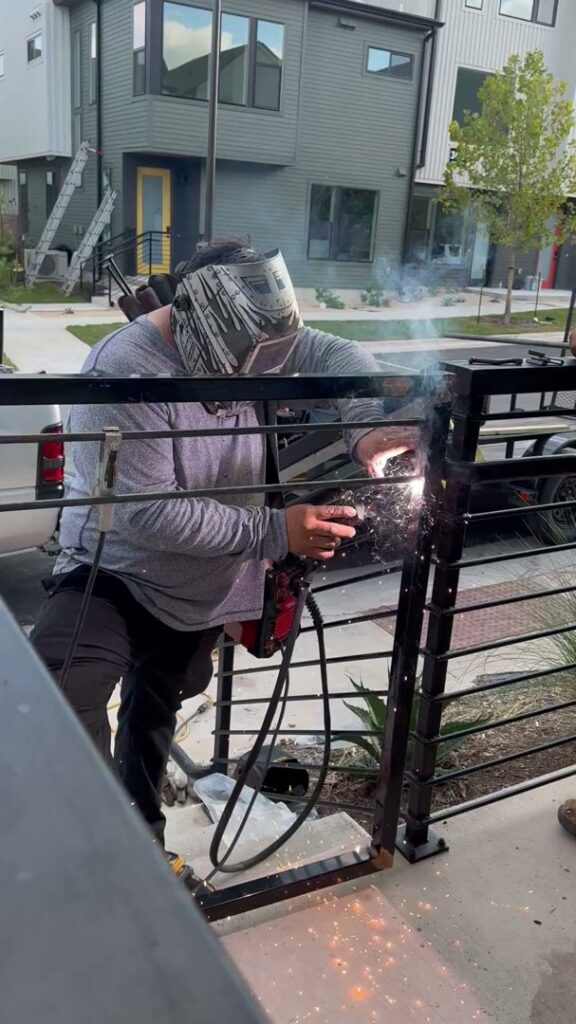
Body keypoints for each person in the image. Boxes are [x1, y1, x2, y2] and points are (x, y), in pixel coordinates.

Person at [32, 238, 418, 886]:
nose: (264, 374)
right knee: (62, 692)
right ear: (198, 328)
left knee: (153, 716)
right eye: (249, 367)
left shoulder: (251, 330)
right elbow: (145, 514)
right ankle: (96, 858)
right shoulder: (123, 374)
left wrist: (363, 428)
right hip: (112, 571)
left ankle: (143, 852)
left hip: (201, 585)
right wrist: (275, 531)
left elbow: (334, 356)